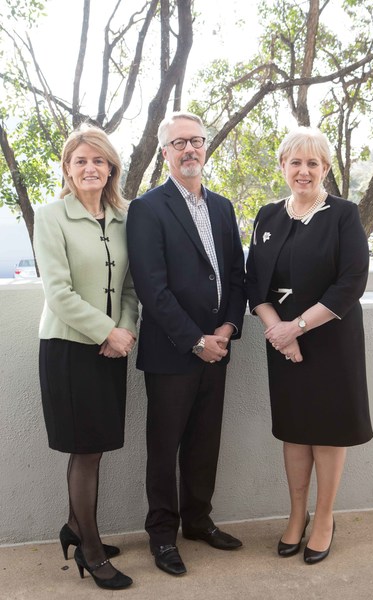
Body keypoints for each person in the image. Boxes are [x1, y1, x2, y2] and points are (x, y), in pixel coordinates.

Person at [246, 126, 373, 565]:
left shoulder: (343, 214)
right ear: (283, 166)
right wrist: (280, 333)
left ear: (325, 168)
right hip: (281, 341)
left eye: (313, 163)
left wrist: (297, 328)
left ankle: (324, 518)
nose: (304, 171)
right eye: (295, 162)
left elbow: (352, 282)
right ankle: (296, 515)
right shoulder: (266, 216)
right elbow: (254, 285)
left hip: (331, 340)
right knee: (296, 431)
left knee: (328, 431)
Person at [126, 111, 246, 576]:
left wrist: (228, 329)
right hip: (173, 352)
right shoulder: (148, 208)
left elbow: (236, 275)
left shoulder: (222, 206)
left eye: (196, 140)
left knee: (204, 443)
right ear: (165, 152)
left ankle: (198, 521)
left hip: (217, 348)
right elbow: (152, 289)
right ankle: (162, 535)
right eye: (179, 143)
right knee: (164, 447)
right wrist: (195, 340)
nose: (190, 149)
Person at [33, 124, 139, 590]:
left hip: (112, 347)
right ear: (68, 169)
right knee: (85, 448)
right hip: (68, 347)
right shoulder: (50, 216)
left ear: (111, 167)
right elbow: (57, 292)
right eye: (81, 161)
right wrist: (106, 331)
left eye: (98, 160)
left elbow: (132, 288)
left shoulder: (124, 217)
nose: (90, 168)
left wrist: (126, 332)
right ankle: (91, 551)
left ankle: (76, 528)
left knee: (97, 443)